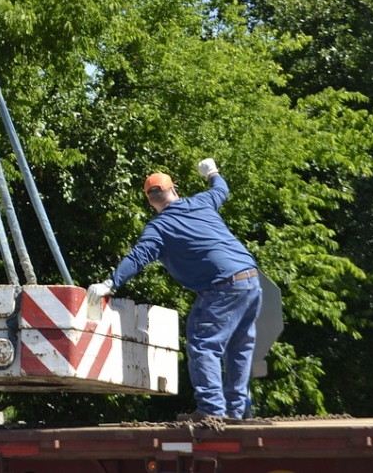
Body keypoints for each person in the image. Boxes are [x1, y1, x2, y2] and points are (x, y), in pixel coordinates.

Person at [88, 158, 262, 420]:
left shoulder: (159, 227)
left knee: (204, 343)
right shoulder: (201, 203)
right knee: (239, 347)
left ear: (150, 201)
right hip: (250, 281)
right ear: (175, 189)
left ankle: (212, 411)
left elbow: (137, 257)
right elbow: (221, 189)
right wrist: (212, 172)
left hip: (222, 287)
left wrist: (110, 283)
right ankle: (236, 411)